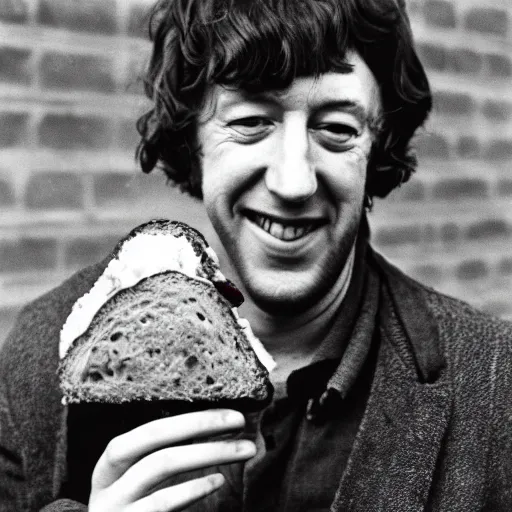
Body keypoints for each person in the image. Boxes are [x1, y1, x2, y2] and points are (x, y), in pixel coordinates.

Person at [1, 0, 511, 510]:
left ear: (377, 145)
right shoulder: (39, 354)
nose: (294, 181)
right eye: (250, 121)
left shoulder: (493, 384)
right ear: (191, 137)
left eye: (336, 128)